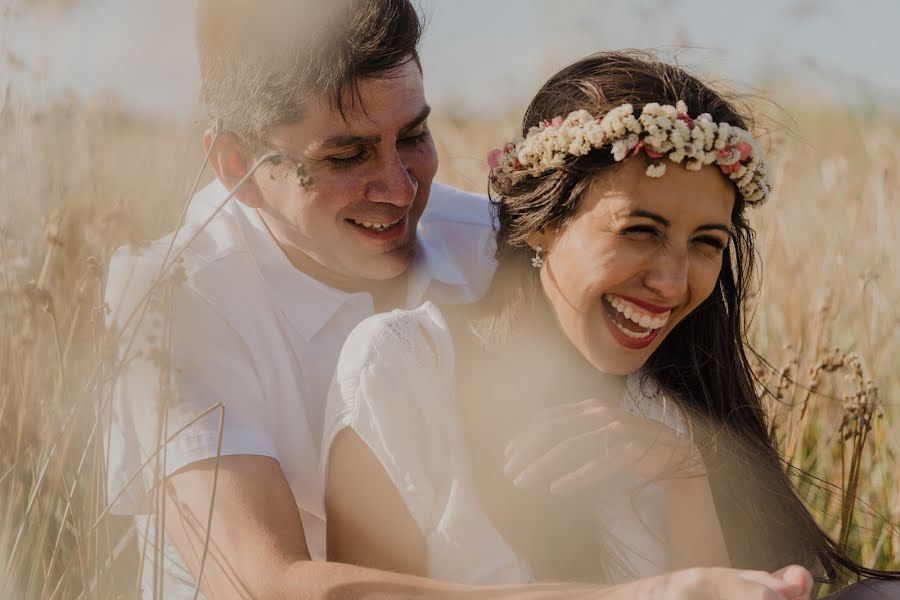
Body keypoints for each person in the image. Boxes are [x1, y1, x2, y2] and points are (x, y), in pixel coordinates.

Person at [105, 1, 837, 598]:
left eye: (414, 136)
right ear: (236, 162)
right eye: (345, 156)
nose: (399, 189)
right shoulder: (174, 300)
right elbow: (266, 583)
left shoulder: (491, 240)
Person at [323, 51, 900, 598]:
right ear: (543, 222)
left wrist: (686, 476)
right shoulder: (405, 364)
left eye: (706, 243)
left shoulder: (670, 408)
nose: (673, 283)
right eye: (640, 231)